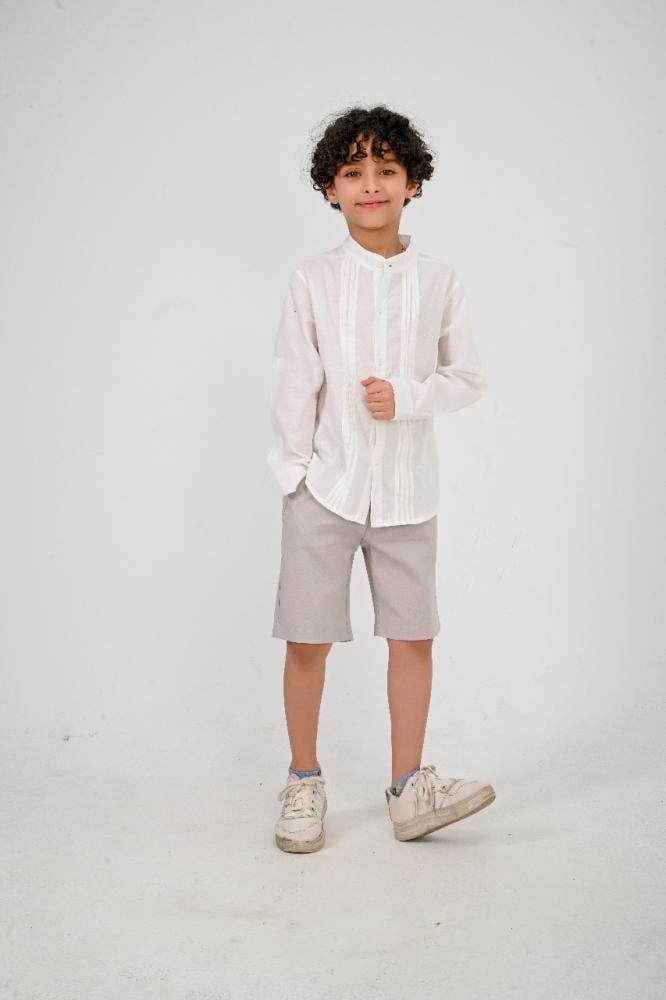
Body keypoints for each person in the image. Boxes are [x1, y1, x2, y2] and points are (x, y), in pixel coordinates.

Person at [267, 104, 495, 853]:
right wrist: (295, 475)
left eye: (387, 170)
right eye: (354, 171)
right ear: (330, 188)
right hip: (325, 491)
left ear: (412, 183)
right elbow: (294, 380)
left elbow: (467, 377)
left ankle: (408, 789)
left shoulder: (439, 281)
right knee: (308, 640)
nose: (371, 185)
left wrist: (409, 397)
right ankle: (304, 780)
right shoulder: (313, 278)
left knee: (413, 637)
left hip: (407, 495)